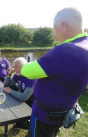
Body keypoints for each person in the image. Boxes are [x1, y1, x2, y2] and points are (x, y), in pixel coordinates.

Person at [21, 8, 88, 137]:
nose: (54, 35)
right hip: (62, 112)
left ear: (63, 25)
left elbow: (27, 71)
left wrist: (25, 63)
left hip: (44, 116)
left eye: (54, 29)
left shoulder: (66, 50)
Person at [3, 57, 36, 129]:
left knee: (22, 123)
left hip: (33, 106)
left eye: (16, 67)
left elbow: (24, 97)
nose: (14, 69)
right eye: (14, 67)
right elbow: (6, 85)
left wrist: (11, 91)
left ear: (24, 67)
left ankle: (29, 123)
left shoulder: (31, 76)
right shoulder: (19, 74)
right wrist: (9, 74)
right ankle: (20, 122)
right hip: (24, 101)